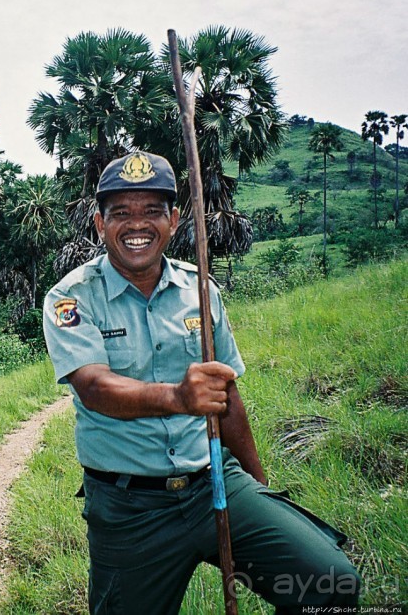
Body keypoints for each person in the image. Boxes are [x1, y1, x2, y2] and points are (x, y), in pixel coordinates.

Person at [42, 152, 359, 614]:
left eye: (152, 211)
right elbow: (94, 387)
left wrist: (258, 489)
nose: (138, 225)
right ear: (98, 223)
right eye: (121, 214)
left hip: (214, 482)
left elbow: (225, 393)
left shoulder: (200, 289)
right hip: (130, 509)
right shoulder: (72, 296)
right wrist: (177, 397)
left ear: (173, 219)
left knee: (331, 584)